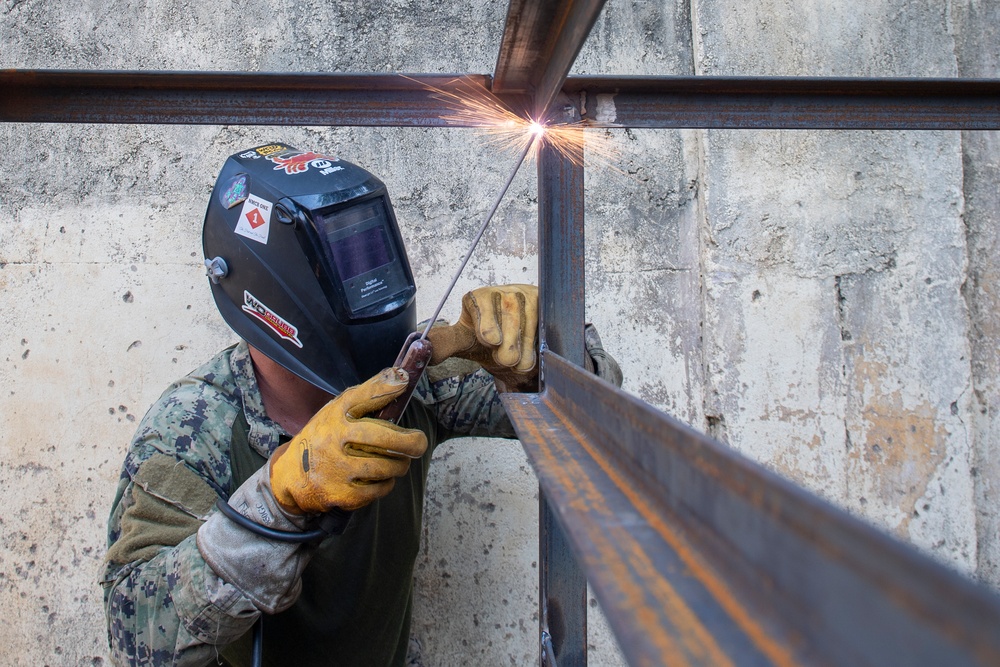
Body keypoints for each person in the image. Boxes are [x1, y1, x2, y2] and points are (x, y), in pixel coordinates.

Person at [100, 144, 622, 667]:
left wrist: (543, 357)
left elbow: (598, 423)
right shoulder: (192, 429)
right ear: (274, 289)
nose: (371, 284)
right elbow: (137, 637)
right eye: (346, 261)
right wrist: (278, 502)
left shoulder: (409, 375)